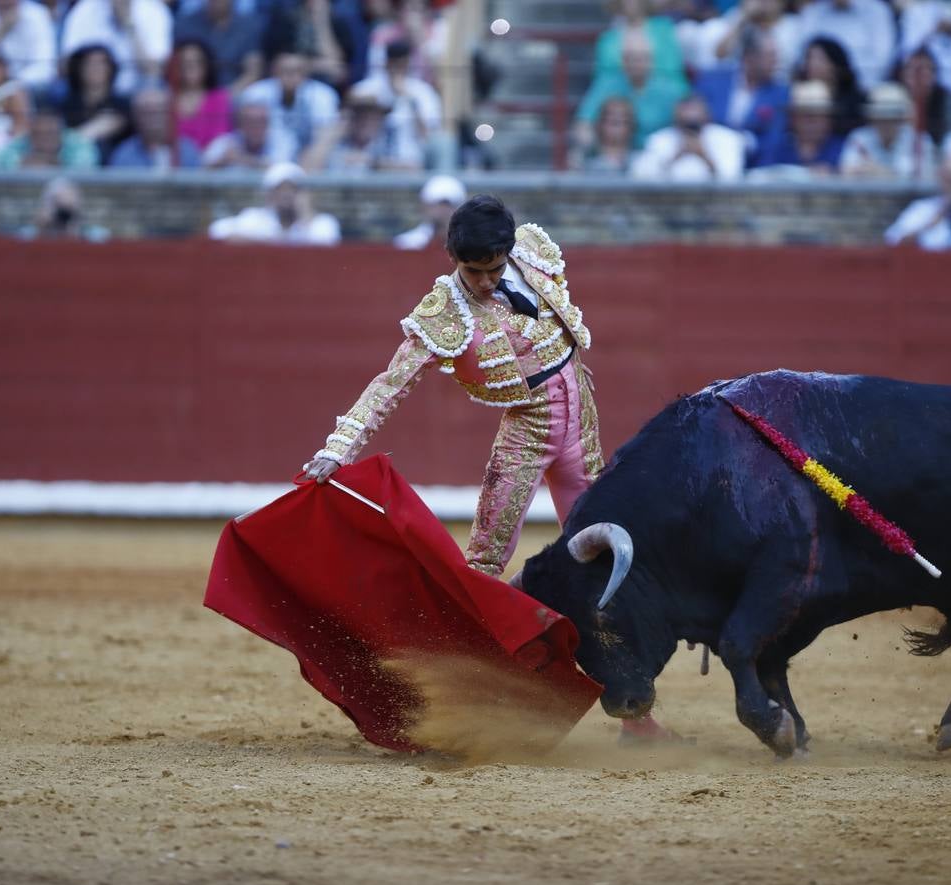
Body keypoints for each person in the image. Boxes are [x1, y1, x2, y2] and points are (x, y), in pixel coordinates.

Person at [301, 195, 680, 744]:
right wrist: (339, 446)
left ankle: (637, 719)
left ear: (507, 254)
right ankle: (454, 698)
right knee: (481, 567)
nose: (484, 281)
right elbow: (391, 382)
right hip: (525, 436)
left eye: (493, 269)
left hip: (582, 426)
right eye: (473, 271)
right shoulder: (443, 312)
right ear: (455, 258)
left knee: (610, 568)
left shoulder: (531, 254)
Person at [574, 28, 689, 153]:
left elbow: (688, 119)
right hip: (619, 152)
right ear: (623, 60)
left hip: (660, 152)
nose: (637, 63)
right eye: (632, 58)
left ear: (651, 60)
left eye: (642, 58)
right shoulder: (607, 84)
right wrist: (586, 145)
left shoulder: (671, 89)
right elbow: (584, 121)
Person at [695, 28, 790, 155]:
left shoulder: (780, 93)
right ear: (749, 57)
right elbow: (695, 116)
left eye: (776, 56)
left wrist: (744, 143)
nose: (775, 62)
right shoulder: (713, 80)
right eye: (769, 56)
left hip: (754, 161)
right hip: (709, 151)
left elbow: (774, 137)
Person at [208, 161, 341, 244]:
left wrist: (305, 217)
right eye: (280, 189)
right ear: (269, 194)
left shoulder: (323, 222)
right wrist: (267, 241)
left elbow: (326, 241)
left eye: (293, 188)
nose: (287, 194)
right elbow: (217, 230)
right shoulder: (255, 218)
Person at [303, 81, 423, 172]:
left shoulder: (391, 139)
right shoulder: (337, 142)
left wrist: (371, 162)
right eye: (360, 114)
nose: (366, 121)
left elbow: (414, 169)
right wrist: (333, 134)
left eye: (373, 115)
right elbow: (306, 170)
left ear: (381, 118)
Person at [241, 50, 341, 156]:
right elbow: (245, 130)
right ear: (274, 72)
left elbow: (325, 135)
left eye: (296, 71)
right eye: (284, 71)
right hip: (265, 155)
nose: (290, 76)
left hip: (310, 155)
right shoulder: (256, 93)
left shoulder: (322, 95)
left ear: (306, 74)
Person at [60, 0, 173, 93]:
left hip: (137, 93)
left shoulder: (155, 10)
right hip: (93, 92)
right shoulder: (84, 10)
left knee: (154, 87)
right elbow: (65, 66)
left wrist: (127, 23)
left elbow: (154, 70)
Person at [630, 93, 746, 182]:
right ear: (675, 118)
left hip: (716, 205)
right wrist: (676, 156)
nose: (690, 116)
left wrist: (704, 155)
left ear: (707, 116)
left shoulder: (727, 138)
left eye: (695, 110)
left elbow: (733, 177)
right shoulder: (658, 140)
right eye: (686, 111)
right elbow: (643, 177)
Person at [838, 82, 937, 179]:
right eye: (880, 117)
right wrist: (891, 173)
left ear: (902, 119)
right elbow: (847, 171)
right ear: (872, 118)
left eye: (892, 118)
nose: (886, 123)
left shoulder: (920, 140)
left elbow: (922, 175)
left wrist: (878, 172)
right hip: (867, 195)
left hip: (909, 195)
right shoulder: (858, 138)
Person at [793, 0, 896, 90]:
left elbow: (882, 63)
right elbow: (802, 59)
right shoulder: (812, 13)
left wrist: (843, 77)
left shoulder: (877, 11)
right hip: (818, 92)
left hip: (865, 90)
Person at [56, 43, 132, 163]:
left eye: (101, 63)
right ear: (78, 68)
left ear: (111, 68)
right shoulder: (65, 105)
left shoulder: (122, 104)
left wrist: (73, 139)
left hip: (113, 168)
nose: (95, 69)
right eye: (89, 64)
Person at [751, 79, 844, 173]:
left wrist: (834, 172)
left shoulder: (842, 148)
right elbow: (761, 176)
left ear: (829, 120)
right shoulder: (777, 147)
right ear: (793, 119)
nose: (812, 122)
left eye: (819, 116)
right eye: (806, 116)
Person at [173, 0, 265, 91]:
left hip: (235, 91)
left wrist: (225, 97)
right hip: (195, 92)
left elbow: (253, 72)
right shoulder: (186, 24)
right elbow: (177, 67)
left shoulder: (249, 26)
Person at [693, 0, 800, 77]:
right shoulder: (740, 18)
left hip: (776, 85)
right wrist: (744, 16)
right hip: (740, 83)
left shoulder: (792, 26)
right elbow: (720, 54)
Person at [107, 87, 202, 168]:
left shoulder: (188, 151)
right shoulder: (123, 155)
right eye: (146, 113)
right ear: (136, 117)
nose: (153, 119)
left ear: (169, 115)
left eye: (158, 112)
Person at [0, 103, 99, 169]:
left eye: (50, 133)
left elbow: (86, 167)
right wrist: (19, 163)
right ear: (30, 132)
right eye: (39, 133)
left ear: (61, 132)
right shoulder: (21, 142)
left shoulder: (78, 143)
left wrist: (45, 161)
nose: (45, 139)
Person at [168, 40, 232, 153]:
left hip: (212, 164)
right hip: (175, 164)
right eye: (184, 63)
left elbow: (220, 139)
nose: (191, 67)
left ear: (207, 65)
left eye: (197, 62)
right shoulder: (167, 98)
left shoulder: (219, 98)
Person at [794, 37, 865, 137]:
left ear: (835, 65)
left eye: (820, 59)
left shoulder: (856, 103)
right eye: (809, 58)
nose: (812, 65)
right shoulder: (798, 97)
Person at [202, 97, 297, 169]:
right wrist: (222, 160)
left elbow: (280, 169)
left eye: (260, 121)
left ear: (268, 123)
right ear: (240, 124)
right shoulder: (225, 142)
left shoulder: (283, 140)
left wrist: (240, 158)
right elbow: (204, 169)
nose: (256, 127)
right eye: (250, 122)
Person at [20, 176, 109, 241]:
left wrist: (76, 229)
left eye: (68, 201)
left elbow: (103, 237)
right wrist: (40, 227)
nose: (62, 211)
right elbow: (22, 236)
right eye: (57, 202)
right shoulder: (30, 234)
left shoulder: (92, 235)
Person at [393, 172, 465, 250]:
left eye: (448, 205)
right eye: (438, 204)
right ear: (425, 206)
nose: (443, 210)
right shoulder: (405, 244)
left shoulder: (469, 246)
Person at [579, 95, 637, 174]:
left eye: (622, 121)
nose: (616, 126)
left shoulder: (641, 162)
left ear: (631, 126)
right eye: (612, 121)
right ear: (600, 124)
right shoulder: (584, 164)